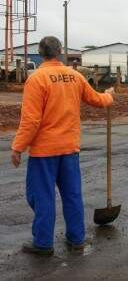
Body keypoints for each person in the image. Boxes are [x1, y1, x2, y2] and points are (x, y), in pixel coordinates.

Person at [10, 36, 114, 256]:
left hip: (44, 152)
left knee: (42, 196)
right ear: (60, 52)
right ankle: (77, 240)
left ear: (41, 53)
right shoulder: (74, 76)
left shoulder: (36, 79)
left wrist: (18, 147)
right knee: (72, 194)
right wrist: (108, 97)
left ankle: (43, 243)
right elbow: (97, 100)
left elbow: (31, 121)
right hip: (69, 148)